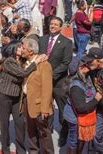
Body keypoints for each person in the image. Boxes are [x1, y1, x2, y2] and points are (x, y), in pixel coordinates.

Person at [0, 41, 46, 154]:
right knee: (4, 123)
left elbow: (31, 57)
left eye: (23, 47)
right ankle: (5, 149)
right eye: (19, 47)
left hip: (17, 97)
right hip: (4, 96)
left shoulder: (22, 60)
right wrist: (36, 62)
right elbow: (22, 73)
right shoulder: (9, 61)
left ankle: (20, 149)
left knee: (20, 123)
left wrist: (41, 56)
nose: (22, 49)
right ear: (13, 49)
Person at [38, 16, 73, 147]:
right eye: (51, 24)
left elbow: (66, 63)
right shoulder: (42, 40)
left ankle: (63, 134)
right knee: (46, 107)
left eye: (55, 25)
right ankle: (47, 130)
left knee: (62, 109)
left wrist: (50, 75)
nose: (52, 26)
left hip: (59, 82)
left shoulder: (66, 42)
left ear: (60, 27)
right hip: (43, 82)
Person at [63, 48, 103, 153]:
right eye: (86, 64)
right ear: (80, 68)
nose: (89, 65)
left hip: (83, 116)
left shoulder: (86, 76)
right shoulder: (76, 85)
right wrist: (96, 99)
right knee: (74, 140)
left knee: (80, 140)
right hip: (74, 118)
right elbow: (81, 108)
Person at [21, 38, 54, 153]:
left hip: (39, 105)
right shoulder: (24, 62)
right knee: (30, 132)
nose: (21, 50)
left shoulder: (44, 65)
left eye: (23, 48)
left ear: (31, 51)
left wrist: (45, 108)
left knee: (43, 133)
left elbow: (47, 88)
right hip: (26, 101)